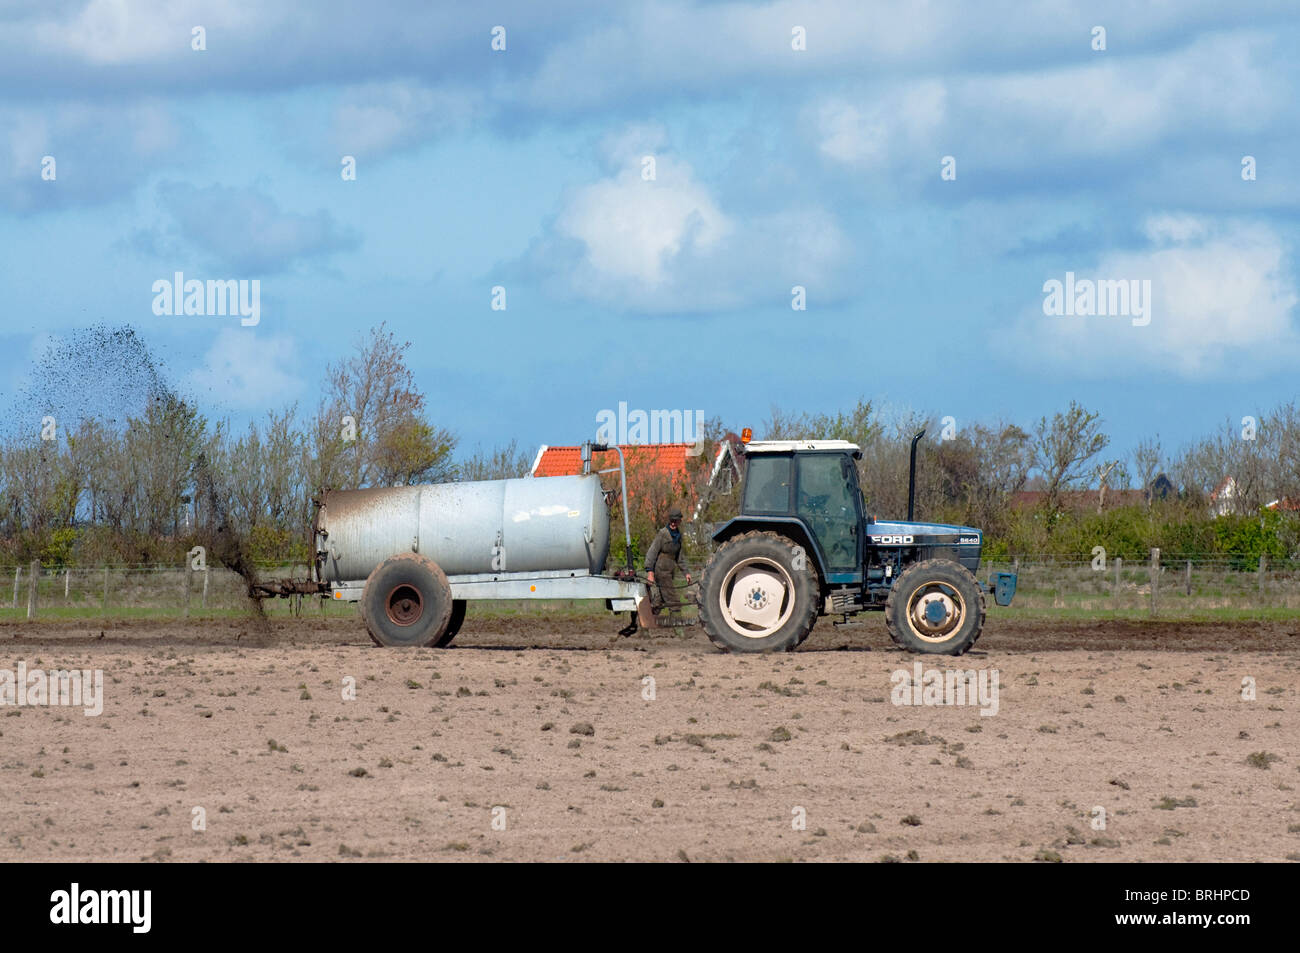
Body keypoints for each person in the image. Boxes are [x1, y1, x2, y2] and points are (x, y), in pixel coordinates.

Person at [645, 507, 692, 622]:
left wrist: (686, 573)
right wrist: (650, 572)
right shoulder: (662, 534)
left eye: (676, 521)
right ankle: (679, 630)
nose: (673, 523)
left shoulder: (678, 536)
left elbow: (679, 558)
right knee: (673, 601)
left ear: (680, 521)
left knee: (659, 602)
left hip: (670, 572)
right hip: (661, 571)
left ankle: (645, 624)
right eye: (671, 520)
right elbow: (652, 552)